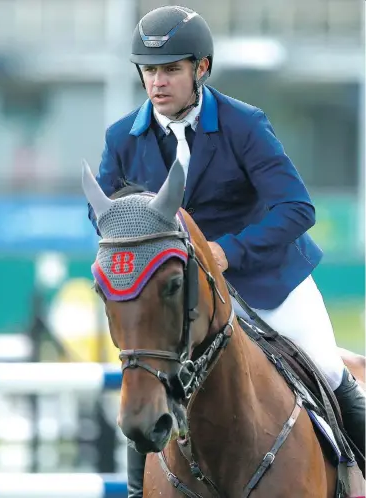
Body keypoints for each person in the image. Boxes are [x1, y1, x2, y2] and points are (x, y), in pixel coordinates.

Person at [87, 6, 365, 497]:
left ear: (202, 69)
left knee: (326, 367)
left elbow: (296, 207)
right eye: (150, 70)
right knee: (151, 376)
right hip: (183, 293)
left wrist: (227, 252)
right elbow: (107, 218)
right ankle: (138, 490)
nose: (158, 82)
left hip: (267, 280)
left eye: (171, 69)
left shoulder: (244, 124)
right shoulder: (122, 140)